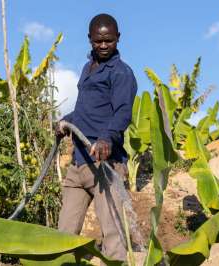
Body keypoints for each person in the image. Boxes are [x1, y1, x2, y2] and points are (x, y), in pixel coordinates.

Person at [55, 13, 137, 261]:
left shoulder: (121, 73)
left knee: (114, 239)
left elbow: (122, 112)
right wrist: (65, 121)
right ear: (90, 38)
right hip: (79, 165)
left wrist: (107, 138)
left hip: (104, 165)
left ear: (118, 38)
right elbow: (85, 109)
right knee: (63, 236)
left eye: (109, 41)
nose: (103, 46)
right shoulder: (87, 67)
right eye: (98, 41)